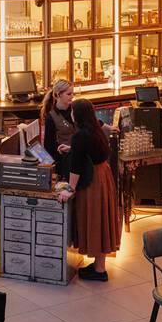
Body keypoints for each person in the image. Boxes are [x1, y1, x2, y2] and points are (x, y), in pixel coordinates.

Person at [57, 98, 121, 281]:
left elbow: (76, 168)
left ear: (76, 115)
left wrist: (69, 189)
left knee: (94, 220)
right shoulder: (96, 130)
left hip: (92, 182)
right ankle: (99, 266)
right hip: (103, 176)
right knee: (102, 220)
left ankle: (99, 272)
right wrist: (73, 148)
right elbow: (89, 150)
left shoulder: (80, 136)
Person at [39, 79, 76, 180]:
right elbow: (48, 145)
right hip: (65, 162)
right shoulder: (51, 117)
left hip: (78, 156)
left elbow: (90, 123)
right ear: (58, 95)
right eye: (69, 94)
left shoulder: (75, 109)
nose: (72, 96)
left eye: (73, 93)